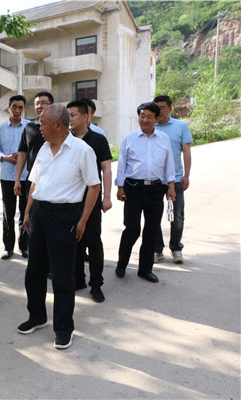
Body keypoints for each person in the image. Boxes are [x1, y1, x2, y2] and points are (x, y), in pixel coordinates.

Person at [19, 104, 100, 350]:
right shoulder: (43, 148)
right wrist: (27, 211)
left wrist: (83, 220)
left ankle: (64, 328)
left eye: (42, 123)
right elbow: (35, 182)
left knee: (63, 275)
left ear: (57, 124)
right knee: (34, 271)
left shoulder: (82, 150)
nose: (39, 127)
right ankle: (37, 316)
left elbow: (94, 186)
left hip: (65, 217)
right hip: (39, 214)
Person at [114, 102, 176, 283]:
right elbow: (122, 163)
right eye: (142, 116)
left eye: (149, 116)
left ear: (157, 119)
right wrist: (120, 187)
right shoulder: (130, 138)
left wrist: (171, 186)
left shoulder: (163, 139)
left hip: (156, 190)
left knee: (151, 230)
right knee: (132, 229)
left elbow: (169, 163)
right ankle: (122, 264)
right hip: (133, 189)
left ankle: (145, 269)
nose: (145, 120)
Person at [67, 101, 113, 302]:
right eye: (67, 115)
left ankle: (96, 284)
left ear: (85, 117)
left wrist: (107, 197)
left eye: (73, 115)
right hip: (70, 199)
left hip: (91, 198)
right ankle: (78, 279)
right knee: (74, 241)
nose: (69, 119)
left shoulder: (98, 139)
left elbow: (106, 168)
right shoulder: (65, 140)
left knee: (93, 241)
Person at [153, 95, 192, 264]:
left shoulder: (180, 126)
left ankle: (176, 248)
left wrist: (186, 175)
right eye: (156, 108)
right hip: (155, 180)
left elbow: (186, 151)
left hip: (175, 179)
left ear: (170, 108)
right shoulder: (150, 127)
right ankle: (157, 250)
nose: (159, 111)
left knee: (177, 215)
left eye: (162, 107)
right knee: (153, 216)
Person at [0, 95, 30, 260]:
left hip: (26, 176)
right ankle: (8, 247)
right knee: (8, 213)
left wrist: (23, 157)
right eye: (14, 106)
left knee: (25, 212)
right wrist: (7, 157)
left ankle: (24, 246)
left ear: (24, 109)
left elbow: (34, 149)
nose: (17, 110)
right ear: (9, 108)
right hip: (7, 177)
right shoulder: (1, 128)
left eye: (20, 107)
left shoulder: (29, 127)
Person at [14, 91, 53, 197]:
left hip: (54, 177)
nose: (40, 106)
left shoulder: (58, 127)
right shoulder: (29, 128)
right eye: (37, 103)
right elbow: (22, 154)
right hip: (33, 178)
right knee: (31, 206)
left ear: (51, 106)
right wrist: (17, 180)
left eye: (44, 103)